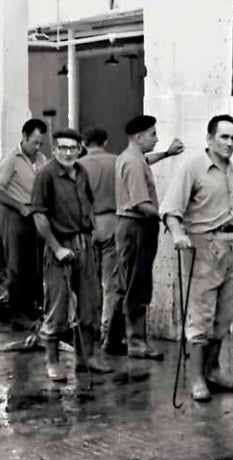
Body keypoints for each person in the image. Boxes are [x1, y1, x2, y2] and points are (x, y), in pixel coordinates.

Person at [160, 114, 233, 402]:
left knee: (224, 316)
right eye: (224, 137)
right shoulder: (193, 167)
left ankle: (212, 371)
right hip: (204, 247)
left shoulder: (232, 170)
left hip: (232, 248)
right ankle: (196, 377)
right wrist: (178, 234)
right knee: (201, 316)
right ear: (209, 139)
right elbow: (171, 209)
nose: (229, 143)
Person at [31, 128, 111, 381]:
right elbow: (39, 216)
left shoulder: (81, 172)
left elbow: (87, 204)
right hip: (60, 247)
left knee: (90, 305)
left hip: (85, 245)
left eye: (72, 148)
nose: (67, 153)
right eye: (62, 148)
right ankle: (53, 362)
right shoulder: (46, 175)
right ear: (53, 150)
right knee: (58, 306)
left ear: (79, 150)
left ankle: (86, 356)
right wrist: (57, 248)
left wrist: (93, 232)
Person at [110, 115, 183, 359]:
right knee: (137, 286)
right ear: (139, 137)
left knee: (126, 284)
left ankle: (112, 340)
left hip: (130, 227)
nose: (156, 138)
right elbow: (141, 203)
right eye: (152, 134)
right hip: (137, 227)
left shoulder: (131, 157)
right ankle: (137, 343)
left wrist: (167, 154)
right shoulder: (133, 163)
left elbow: (146, 161)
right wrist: (167, 216)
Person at [0, 119, 48, 329]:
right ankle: (16, 313)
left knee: (32, 265)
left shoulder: (42, 159)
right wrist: (20, 206)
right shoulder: (12, 159)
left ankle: (29, 310)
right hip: (14, 214)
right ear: (24, 137)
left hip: (34, 215)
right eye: (34, 142)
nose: (37, 147)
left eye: (41, 144)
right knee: (16, 265)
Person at [78, 127, 120, 351]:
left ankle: (89, 331)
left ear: (84, 143)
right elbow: (142, 161)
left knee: (88, 282)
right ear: (105, 141)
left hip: (87, 226)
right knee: (110, 282)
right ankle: (107, 332)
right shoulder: (117, 161)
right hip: (112, 222)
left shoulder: (78, 165)